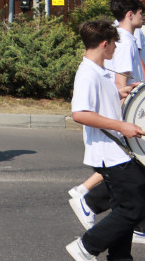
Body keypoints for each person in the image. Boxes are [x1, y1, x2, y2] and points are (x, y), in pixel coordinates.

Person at [65, 20, 145, 261]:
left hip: (114, 152)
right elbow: (79, 113)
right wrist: (123, 125)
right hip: (109, 154)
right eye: (113, 45)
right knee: (133, 208)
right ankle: (86, 247)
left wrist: (119, 93)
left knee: (125, 206)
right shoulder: (87, 73)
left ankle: (120, 257)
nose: (115, 49)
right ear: (104, 44)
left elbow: (100, 104)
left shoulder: (99, 71)